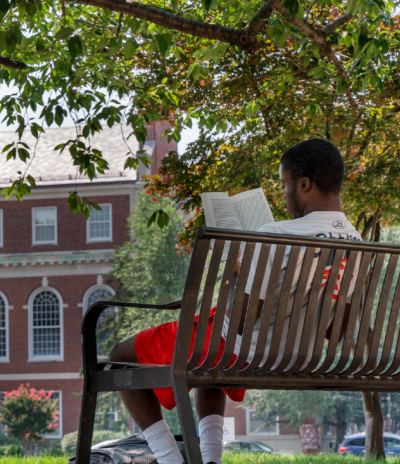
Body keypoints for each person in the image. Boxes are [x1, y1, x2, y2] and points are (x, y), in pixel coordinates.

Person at [108, 139, 363, 464]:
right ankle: (210, 459)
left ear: (304, 184)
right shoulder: (357, 243)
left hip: (244, 348)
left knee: (119, 359)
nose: (285, 196)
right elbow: (336, 332)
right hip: (297, 356)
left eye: (285, 186)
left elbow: (240, 322)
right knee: (208, 358)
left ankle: (169, 460)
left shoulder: (276, 234)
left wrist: (235, 272)